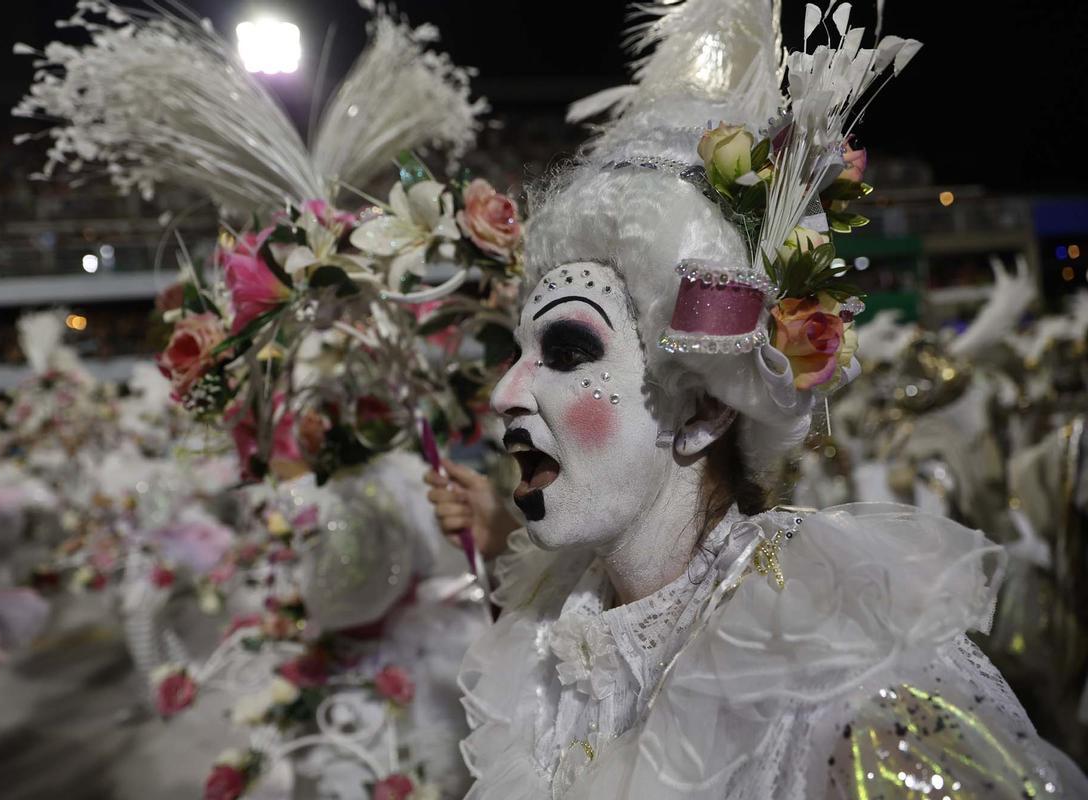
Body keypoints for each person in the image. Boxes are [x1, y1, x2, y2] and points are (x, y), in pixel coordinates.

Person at [427, 1, 1088, 797]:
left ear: (705, 410)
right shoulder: (555, 641)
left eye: (567, 351)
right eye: (517, 353)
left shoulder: (834, 675)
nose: (506, 392)